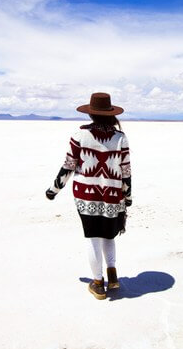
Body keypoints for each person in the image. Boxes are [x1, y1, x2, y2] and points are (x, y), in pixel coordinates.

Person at [45, 92, 132, 300]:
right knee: (109, 236)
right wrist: (127, 197)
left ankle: (97, 283)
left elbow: (68, 166)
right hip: (112, 195)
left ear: (91, 114)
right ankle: (112, 277)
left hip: (86, 196)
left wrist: (54, 189)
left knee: (93, 238)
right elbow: (126, 171)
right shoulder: (120, 138)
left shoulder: (80, 135)